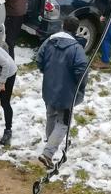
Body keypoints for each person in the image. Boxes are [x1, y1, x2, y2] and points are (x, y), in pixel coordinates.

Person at [35, 16, 88, 169]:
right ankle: (48, 153)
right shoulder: (76, 48)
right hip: (66, 92)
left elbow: (39, 60)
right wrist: (81, 86)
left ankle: (51, 142)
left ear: (63, 25)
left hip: (49, 88)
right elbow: (82, 70)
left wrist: (48, 72)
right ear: (76, 29)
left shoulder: (49, 42)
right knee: (63, 123)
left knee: (51, 116)